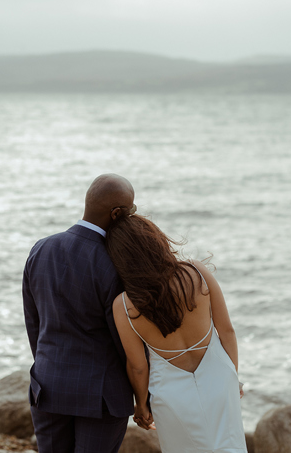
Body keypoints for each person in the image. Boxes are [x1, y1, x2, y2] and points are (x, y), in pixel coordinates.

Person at [106, 213, 246, 453]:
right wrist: (232, 376)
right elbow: (227, 331)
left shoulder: (124, 305)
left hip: (170, 396)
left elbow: (138, 366)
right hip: (220, 380)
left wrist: (141, 405)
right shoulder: (196, 272)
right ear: (156, 241)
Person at [22, 174, 136, 453]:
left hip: (48, 385)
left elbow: (33, 321)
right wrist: (142, 391)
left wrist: (49, 365)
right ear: (116, 214)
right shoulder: (114, 263)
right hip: (101, 396)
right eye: (132, 211)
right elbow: (124, 342)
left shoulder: (41, 248)